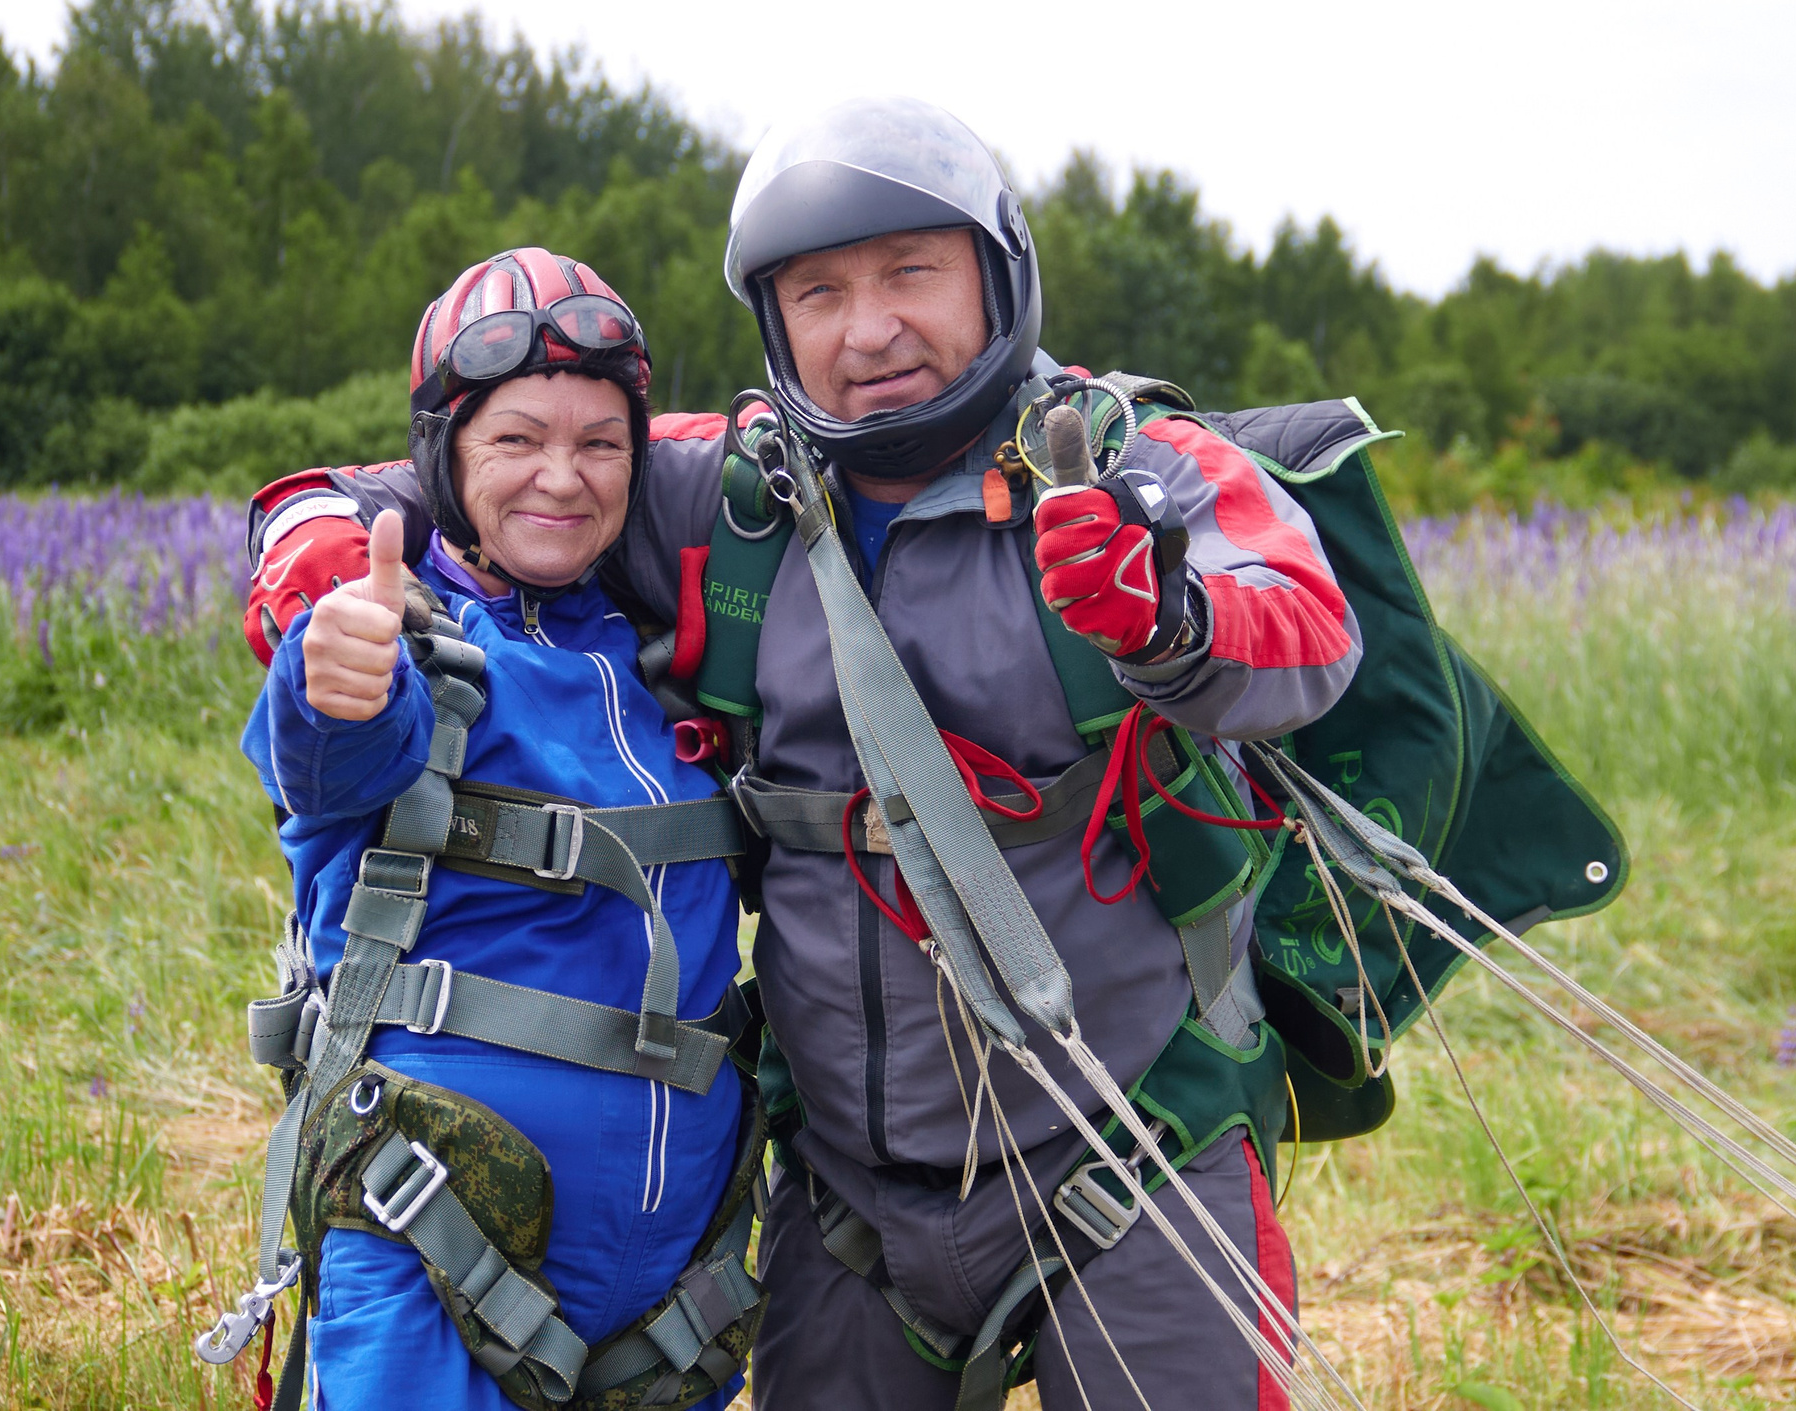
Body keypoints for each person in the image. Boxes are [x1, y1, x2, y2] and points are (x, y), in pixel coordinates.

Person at [244, 98, 1364, 1410]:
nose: (869, 328)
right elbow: (452, 467)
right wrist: (317, 563)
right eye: (820, 290)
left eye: (909, 274)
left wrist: (1166, 614)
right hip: (849, 1201)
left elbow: (1310, 634)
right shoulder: (719, 491)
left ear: (995, 277)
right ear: (778, 326)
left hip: (1129, 1146)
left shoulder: (1132, 470)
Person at [240, 248, 757, 1411]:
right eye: (516, 440)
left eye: (598, 444)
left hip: (674, 1303)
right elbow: (329, 755)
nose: (561, 479)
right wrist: (333, 670)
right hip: (434, 1246)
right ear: (444, 456)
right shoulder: (407, 640)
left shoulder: (666, 665)